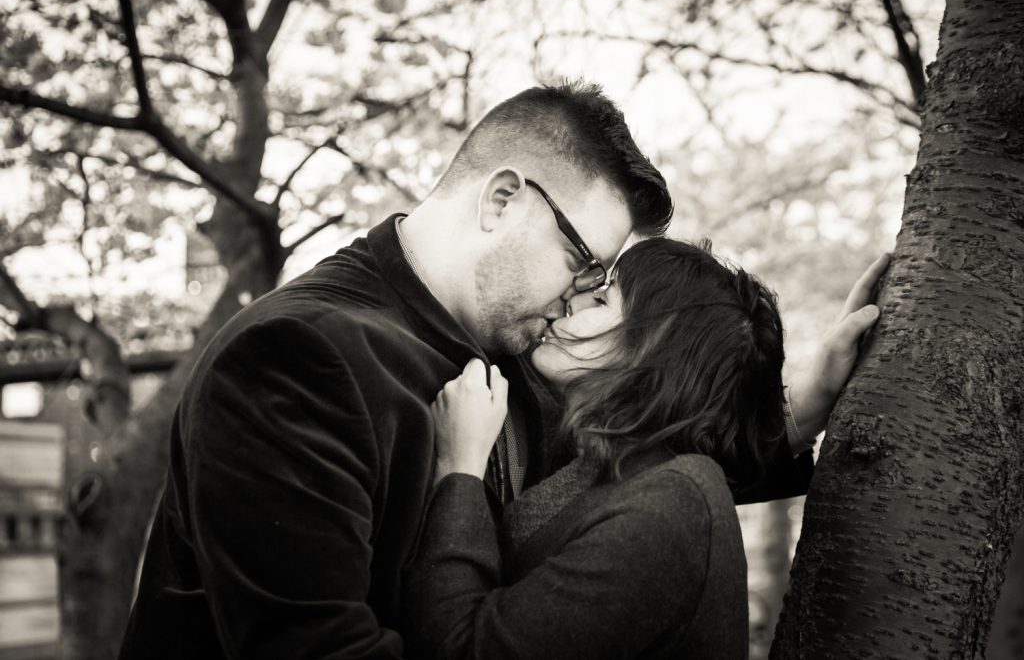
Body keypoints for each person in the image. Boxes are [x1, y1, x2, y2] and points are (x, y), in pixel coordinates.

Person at [118, 81, 884, 659]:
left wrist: (801, 409)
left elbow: (632, 472)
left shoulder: (514, 355)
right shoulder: (296, 359)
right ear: (502, 200)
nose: (583, 295)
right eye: (585, 262)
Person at [408, 237, 788, 659]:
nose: (574, 300)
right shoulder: (615, 464)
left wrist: (459, 468)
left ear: (653, 345)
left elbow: (465, 649)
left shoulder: (670, 505)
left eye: (604, 299)